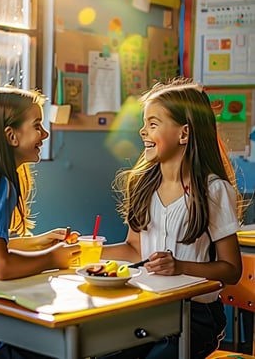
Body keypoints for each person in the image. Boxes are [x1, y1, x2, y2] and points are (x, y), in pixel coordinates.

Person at [101, 77, 243, 359]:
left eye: (153, 124)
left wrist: (179, 266)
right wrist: (82, 254)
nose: (143, 131)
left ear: (184, 134)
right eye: (144, 123)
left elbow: (231, 270)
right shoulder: (141, 185)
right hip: (149, 307)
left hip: (196, 316)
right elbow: (133, 249)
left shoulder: (213, 191)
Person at [0, 85, 81, 359]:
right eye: (37, 126)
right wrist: (53, 259)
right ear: (11, 136)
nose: (45, 134)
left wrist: (38, 241)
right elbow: (0, 265)